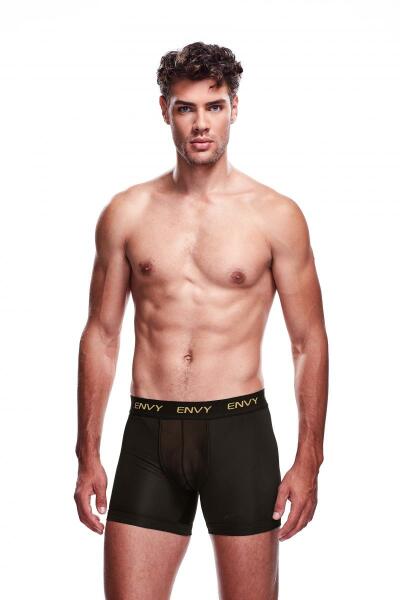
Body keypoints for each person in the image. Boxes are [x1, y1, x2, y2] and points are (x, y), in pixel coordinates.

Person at [74, 41, 329, 600]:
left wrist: (309, 459)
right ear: (164, 111)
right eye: (185, 108)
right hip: (149, 433)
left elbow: (308, 342)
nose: (200, 123)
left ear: (234, 107)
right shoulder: (126, 213)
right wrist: (86, 451)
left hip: (239, 433)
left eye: (214, 106)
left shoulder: (276, 216)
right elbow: (102, 335)